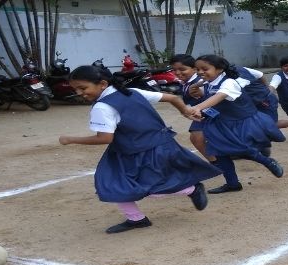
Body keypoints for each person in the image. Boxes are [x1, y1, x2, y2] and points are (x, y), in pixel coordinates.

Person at [58, 65, 221, 234]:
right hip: (158, 144)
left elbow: (105, 138)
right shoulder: (131, 92)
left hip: (138, 151)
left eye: (83, 88)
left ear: (103, 84)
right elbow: (173, 98)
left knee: (140, 186)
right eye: (75, 89)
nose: (79, 93)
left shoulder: (102, 107)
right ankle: (136, 218)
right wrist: (185, 111)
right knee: (115, 183)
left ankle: (191, 189)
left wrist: (71, 139)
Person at [189, 54, 286, 194]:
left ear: (219, 69)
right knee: (219, 152)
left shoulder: (229, 82)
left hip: (239, 123)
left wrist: (198, 107)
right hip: (221, 122)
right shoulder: (210, 81)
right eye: (197, 69)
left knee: (240, 148)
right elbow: (208, 90)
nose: (200, 72)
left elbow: (220, 95)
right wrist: (196, 88)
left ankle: (268, 161)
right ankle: (232, 183)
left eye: (205, 69)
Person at [233, 62, 288, 138]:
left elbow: (260, 75)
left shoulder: (240, 70)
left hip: (264, 100)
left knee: (272, 124)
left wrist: (267, 91)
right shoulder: (235, 72)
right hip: (250, 102)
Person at [170, 54, 208, 157]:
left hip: (208, 113)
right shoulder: (184, 82)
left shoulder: (200, 82)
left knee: (196, 138)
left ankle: (216, 161)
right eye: (174, 70)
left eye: (182, 69)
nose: (177, 73)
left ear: (194, 69)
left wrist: (202, 93)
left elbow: (209, 94)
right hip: (199, 114)